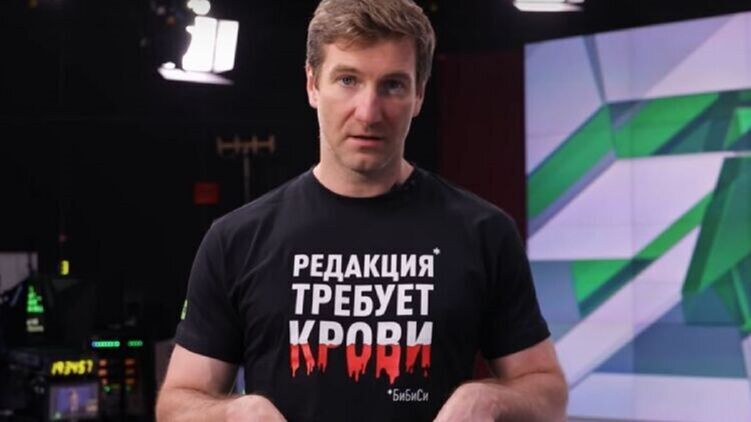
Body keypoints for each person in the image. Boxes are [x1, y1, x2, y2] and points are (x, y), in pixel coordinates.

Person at [156, 0, 568, 420]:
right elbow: (177, 404)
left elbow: (548, 394)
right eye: (348, 80)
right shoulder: (236, 240)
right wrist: (235, 414)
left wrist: (490, 399)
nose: (369, 113)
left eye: (393, 85)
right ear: (312, 84)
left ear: (419, 94)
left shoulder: (484, 233)